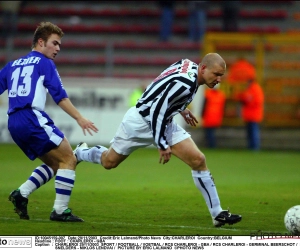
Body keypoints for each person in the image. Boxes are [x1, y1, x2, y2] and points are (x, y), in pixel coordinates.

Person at [74, 53, 242, 227]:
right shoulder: (185, 84)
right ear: (204, 68)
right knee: (109, 162)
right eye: (216, 74)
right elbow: (156, 110)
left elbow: (164, 84)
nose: (219, 79)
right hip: (140, 122)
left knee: (198, 160)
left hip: (164, 121)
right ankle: (81, 152)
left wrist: (181, 108)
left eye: (221, 75)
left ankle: (217, 214)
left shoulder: (187, 65)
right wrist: (161, 143)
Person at [0, 21, 98, 222]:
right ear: (41, 42)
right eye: (55, 43)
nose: (58, 48)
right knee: (69, 159)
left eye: (60, 45)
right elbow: (60, 96)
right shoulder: (45, 63)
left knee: (57, 164)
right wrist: (80, 118)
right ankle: (60, 211)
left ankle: (22, 193)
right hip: (32, 118)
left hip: (14, 123)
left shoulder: (12, 65)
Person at [234, 79, 264, 150]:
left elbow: (250, 99)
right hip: (250, 115)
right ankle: (251, 146)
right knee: (250, 132)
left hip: (253, 115)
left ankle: (254, 147)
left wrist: (244, 98)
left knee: (253, 132)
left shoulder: (254, 89)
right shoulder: (252, 89)